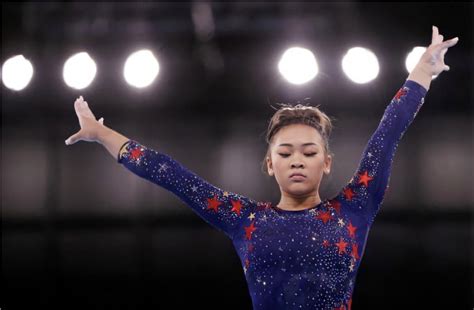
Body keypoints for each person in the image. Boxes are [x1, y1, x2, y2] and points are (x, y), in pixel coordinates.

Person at [65, 26, 458, 310]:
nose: (297, 160)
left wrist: (422, 73)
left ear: (326, 162)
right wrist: (103, 134)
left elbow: (385, 138)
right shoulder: (245, 219)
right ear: (269, 165)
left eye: (308, 152)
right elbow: (172, 175)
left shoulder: (354, 209)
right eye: (285, 153)